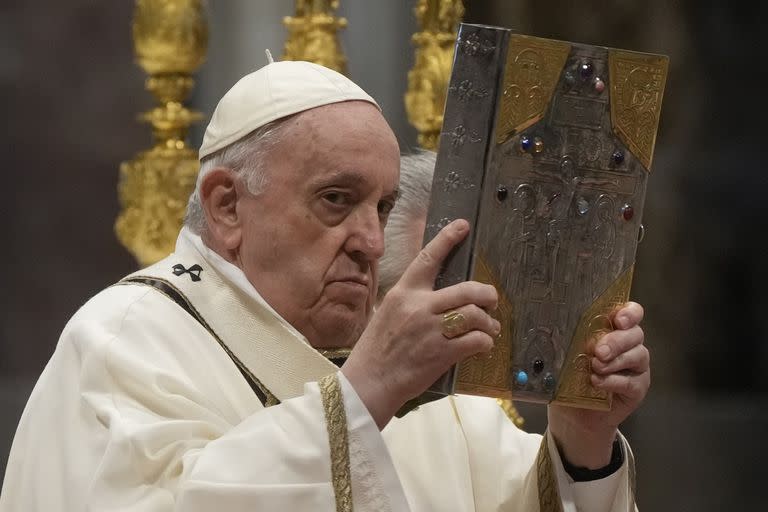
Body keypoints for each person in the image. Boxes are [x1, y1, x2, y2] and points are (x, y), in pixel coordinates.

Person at [0, 60, 650, 511]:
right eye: (336, 200)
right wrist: (366, 392)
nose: (371, 241)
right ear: (227, 206)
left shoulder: (428, 383)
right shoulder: (126, 346)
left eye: (384, 207)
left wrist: (581, 442)